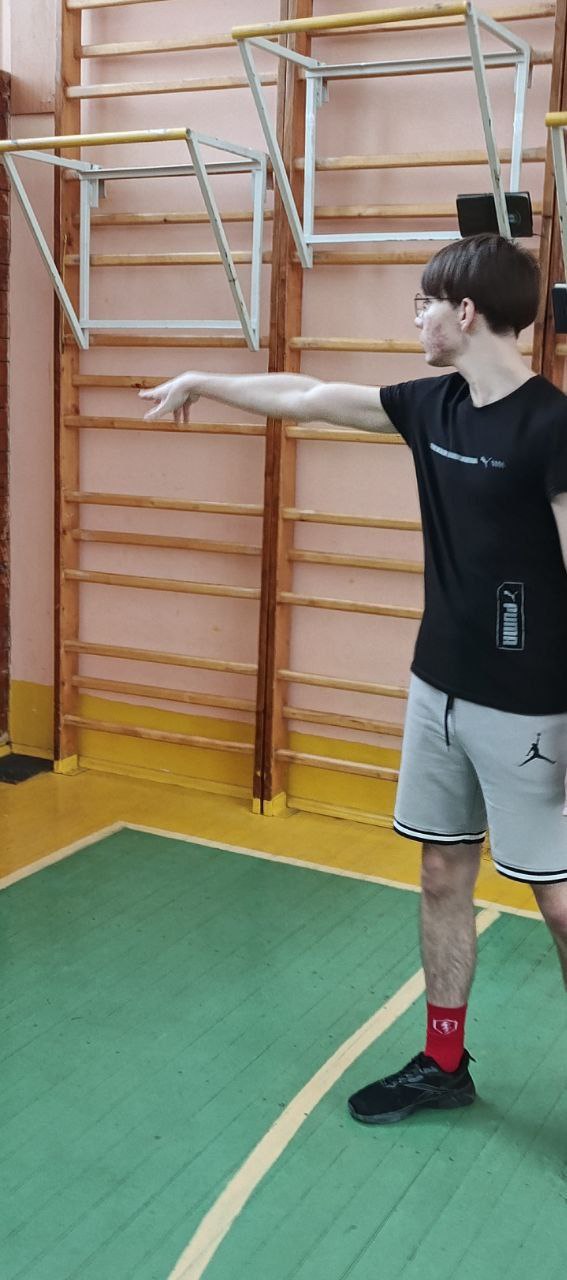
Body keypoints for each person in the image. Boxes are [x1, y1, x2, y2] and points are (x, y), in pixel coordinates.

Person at [140, 233, 567, 1124]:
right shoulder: (430, 405)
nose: (414, 319)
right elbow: (307, 395)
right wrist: (205, 381)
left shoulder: (552, 428)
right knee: (441, 873)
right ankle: (443, 1063)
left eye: (423, 303)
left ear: (465, 312)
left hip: (531, 708)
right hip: (436, 690)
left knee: (559, 905)